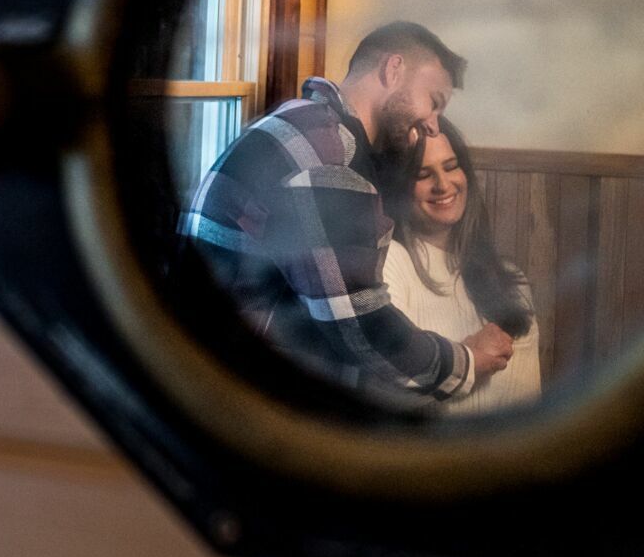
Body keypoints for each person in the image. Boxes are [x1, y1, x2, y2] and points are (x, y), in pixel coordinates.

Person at [180, 22, 513, 410]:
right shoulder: (329, 157)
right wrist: (467, 363)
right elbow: (362, 326)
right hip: (231, 398)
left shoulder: (307, 123)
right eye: (433, 101)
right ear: (393, 70)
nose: (432, 124)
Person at [380, 117, 540, 416]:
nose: (443, 185)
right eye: (423, 173)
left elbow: (527, 406)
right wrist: (468, 356)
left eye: (451, 166)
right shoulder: (389, 262)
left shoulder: (510, 280)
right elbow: (386, 392)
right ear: (399, 188)